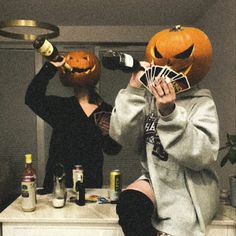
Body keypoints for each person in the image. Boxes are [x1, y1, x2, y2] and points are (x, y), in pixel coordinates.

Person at [109, 28, 220, 236]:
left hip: (189, 187)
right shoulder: (149, 99)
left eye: (181, 56)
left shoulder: (202, 103)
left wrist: (170, 114)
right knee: (130, 206)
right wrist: (134, 91)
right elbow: (122, 135)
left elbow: (203, 156)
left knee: (178, 227)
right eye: (160, 56)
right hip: (154, 179)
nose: (168, 65)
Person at [25, 51, 122, 194]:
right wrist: (50, 67)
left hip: (90, 186)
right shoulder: (60, 107)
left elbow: (112, 150)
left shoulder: (106, 111)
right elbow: (32, 98)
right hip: (58, 184)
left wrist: (107, 133)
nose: (78, 64)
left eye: (84, 60)